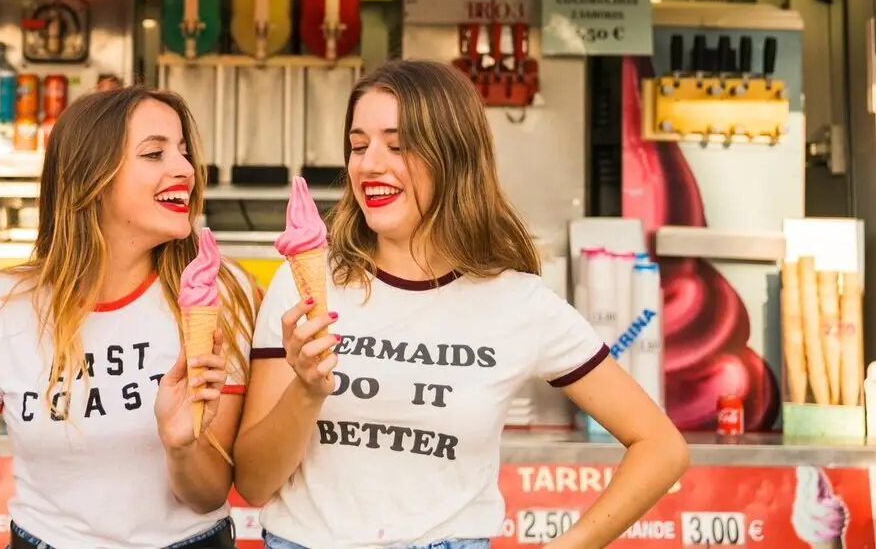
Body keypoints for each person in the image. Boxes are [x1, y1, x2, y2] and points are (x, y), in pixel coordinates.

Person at [235, 59, 689, 549]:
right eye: (359, 146)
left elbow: (661, 446)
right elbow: (254, 484)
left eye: (398, 145)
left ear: (453, 155)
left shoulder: (517, 303)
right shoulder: (305, 285)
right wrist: (306, 391)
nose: (369, 164)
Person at [0, 84, 258, 549]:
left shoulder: (221, 295)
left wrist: (181, 445)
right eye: (155, 153)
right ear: (92, 178)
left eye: (184, 152)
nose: (185, 169)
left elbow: (208, 495)